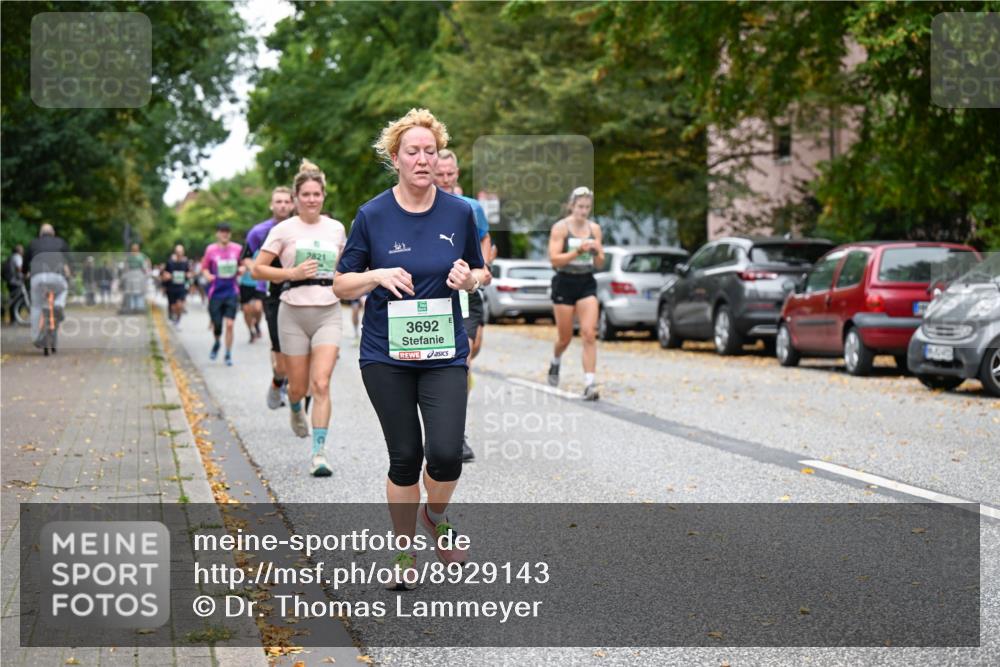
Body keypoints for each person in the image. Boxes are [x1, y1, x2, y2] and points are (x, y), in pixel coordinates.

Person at [334, 108, 486, 586]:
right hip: (386, 355)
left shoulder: (459, 213)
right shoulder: (373, 215)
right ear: (395, 158)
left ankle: (435, 517)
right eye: (413, 152)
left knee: (444, 455)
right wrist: (375, 275)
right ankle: (403, 555)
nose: (424, 160)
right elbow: (341, 284)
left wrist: (470, 279)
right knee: (405, 457)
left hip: (444, 352)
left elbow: (481, 271)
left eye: (431, 151)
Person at [252, 161, 346, 477]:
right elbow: (257, 268)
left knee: (321, 384)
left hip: (328, 311)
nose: (311, 199)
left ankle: (319, 453)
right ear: (295, 198)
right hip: (292, 312)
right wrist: (290, 272)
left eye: (316, 194)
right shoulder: (283, 230)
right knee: (298, 387)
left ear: (323, 196)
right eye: (305, 194)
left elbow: (347, 267)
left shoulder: (335, 229)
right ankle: (294, 408)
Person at [433, 148, 495, 462]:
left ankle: (456, 432)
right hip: (434, 294)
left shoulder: (471, 208)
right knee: (458, 360)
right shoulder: (424, 205)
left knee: (465, 357)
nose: (444, 179)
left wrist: (481, 268)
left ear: (457, 173)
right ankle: (449, 431)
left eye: (449, 174)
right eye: (439, 173)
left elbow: (483, 241)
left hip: (466, 292)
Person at [547, 186, 604, 400]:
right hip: (564, 282)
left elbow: (600, 262)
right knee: (565, 337)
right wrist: (577, 251)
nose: (583, 211)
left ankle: (590, 383)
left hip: (586, 282)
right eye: (580, 206)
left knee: (589, 333)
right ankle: (555, 360)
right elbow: (553, 259)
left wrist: (597, 250)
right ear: (572, 206)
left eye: (587, 207)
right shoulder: (560, 228)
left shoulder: (595, 229)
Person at [244, 186, 296, 409]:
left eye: (286, 201)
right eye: (278, 201)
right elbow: (246, 259)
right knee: (281, 356)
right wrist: (262, 272)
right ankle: (278, 381)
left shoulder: (301, 228)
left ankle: (297, 398)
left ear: (292, 204)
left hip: (301, 294)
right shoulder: (259, 232)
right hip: (272, 294)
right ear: (271, 204)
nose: (283, 205)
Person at [24, 224, 71, 350]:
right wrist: (70, 271)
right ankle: (59, 305)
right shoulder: (60, 242)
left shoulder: (33, 243)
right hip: (57, 276)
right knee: (64, 289)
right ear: (53, 233)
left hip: (37, 277)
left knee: (37, 306)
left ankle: (36, 337)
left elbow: (25, 261)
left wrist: (25, 273)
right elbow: (70, 259)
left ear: (40, 234)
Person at [201, 223, 242, 366]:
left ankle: (228, 354)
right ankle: (217, 341)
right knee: (217, 325)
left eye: (227, 232)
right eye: (222, 232)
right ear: (217, 234)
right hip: (215, 292)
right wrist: (207, 276)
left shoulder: (237, 249)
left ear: (230, 234)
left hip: (231, 291)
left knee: (230, 324)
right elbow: (204, 267)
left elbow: (242, 264)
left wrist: (241, 269)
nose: (225, 234)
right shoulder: (211, 250)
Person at [238, 245, 265, 343]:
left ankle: (257, 324)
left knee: (258, 308)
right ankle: (251, 331)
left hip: (259, 283)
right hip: (246, 284)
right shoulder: (243, 251)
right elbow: (238, 265)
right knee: (246, 310)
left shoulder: (263, 249)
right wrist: (241, 269)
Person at [161, 244, 192, 328]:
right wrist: (166, 278)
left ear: (183, 252)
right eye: (178, 252)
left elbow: (189, 273)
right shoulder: (170, 262)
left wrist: (188, 276)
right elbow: (164, 273)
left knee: (180, 305)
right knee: (173, 306)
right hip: (171, 287)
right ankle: (172, 316)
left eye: (181, 252)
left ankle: (178, 321)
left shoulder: (185, 262)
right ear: (175, 252)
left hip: (181, 287)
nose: (179, 253)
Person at [122, 243, 150, 313]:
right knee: (137, 292)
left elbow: (125, 267)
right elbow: (145, 266)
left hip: (133, 274)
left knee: (133, 292)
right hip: (138, 274)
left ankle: (134, 307)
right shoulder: (141, 256)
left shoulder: (129, 257)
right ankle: (137, 307)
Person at [3, 244, 25, 324]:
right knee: (18, 300)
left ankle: (13, 319)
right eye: (22, 249)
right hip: (15, 282)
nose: (23, 251)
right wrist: (25, 275)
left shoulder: (11, 257)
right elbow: (19, 268)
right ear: (19, 250)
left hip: (10, 281)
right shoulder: (17, 257)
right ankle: (15, 318)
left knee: (13, 299)